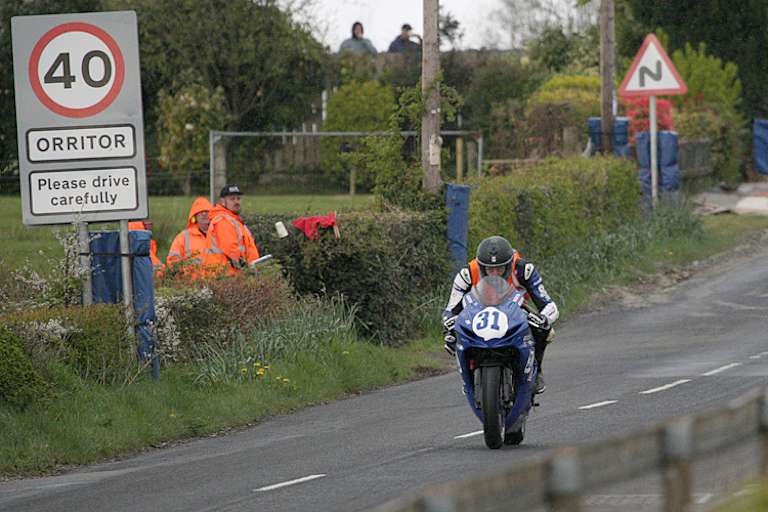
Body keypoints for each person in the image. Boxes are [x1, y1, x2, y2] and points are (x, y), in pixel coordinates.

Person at [441, 236, 559, 394]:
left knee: (544, 331)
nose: (495, 273)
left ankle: (536, 371)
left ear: (509, 266)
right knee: (451, 337)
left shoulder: (524, 269)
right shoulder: (467, 273)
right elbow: (450, 308)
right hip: (479, 315)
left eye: (500, 269)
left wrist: (543, 318)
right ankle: (467, 378)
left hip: (516, 313)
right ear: (482, 267)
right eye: (490, 269)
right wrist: (449, 321)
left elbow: (549, 305)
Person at [203, 185, 260, 275]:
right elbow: (231, 250)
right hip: (225, 276)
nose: (236, 202)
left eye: (238, 198)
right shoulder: (222, 220)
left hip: (232, 275)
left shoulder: (234, 220)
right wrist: (247, 269)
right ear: (223, 201)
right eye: (232, 199)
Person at [166, 197, 213, 278]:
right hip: (191, 285)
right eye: (200, 212)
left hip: (217, 284)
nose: (204, 214)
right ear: (194, 217)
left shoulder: (218, 234)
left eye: (206, 211)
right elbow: (173, 262)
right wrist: (183, 279)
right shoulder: (183, 237)